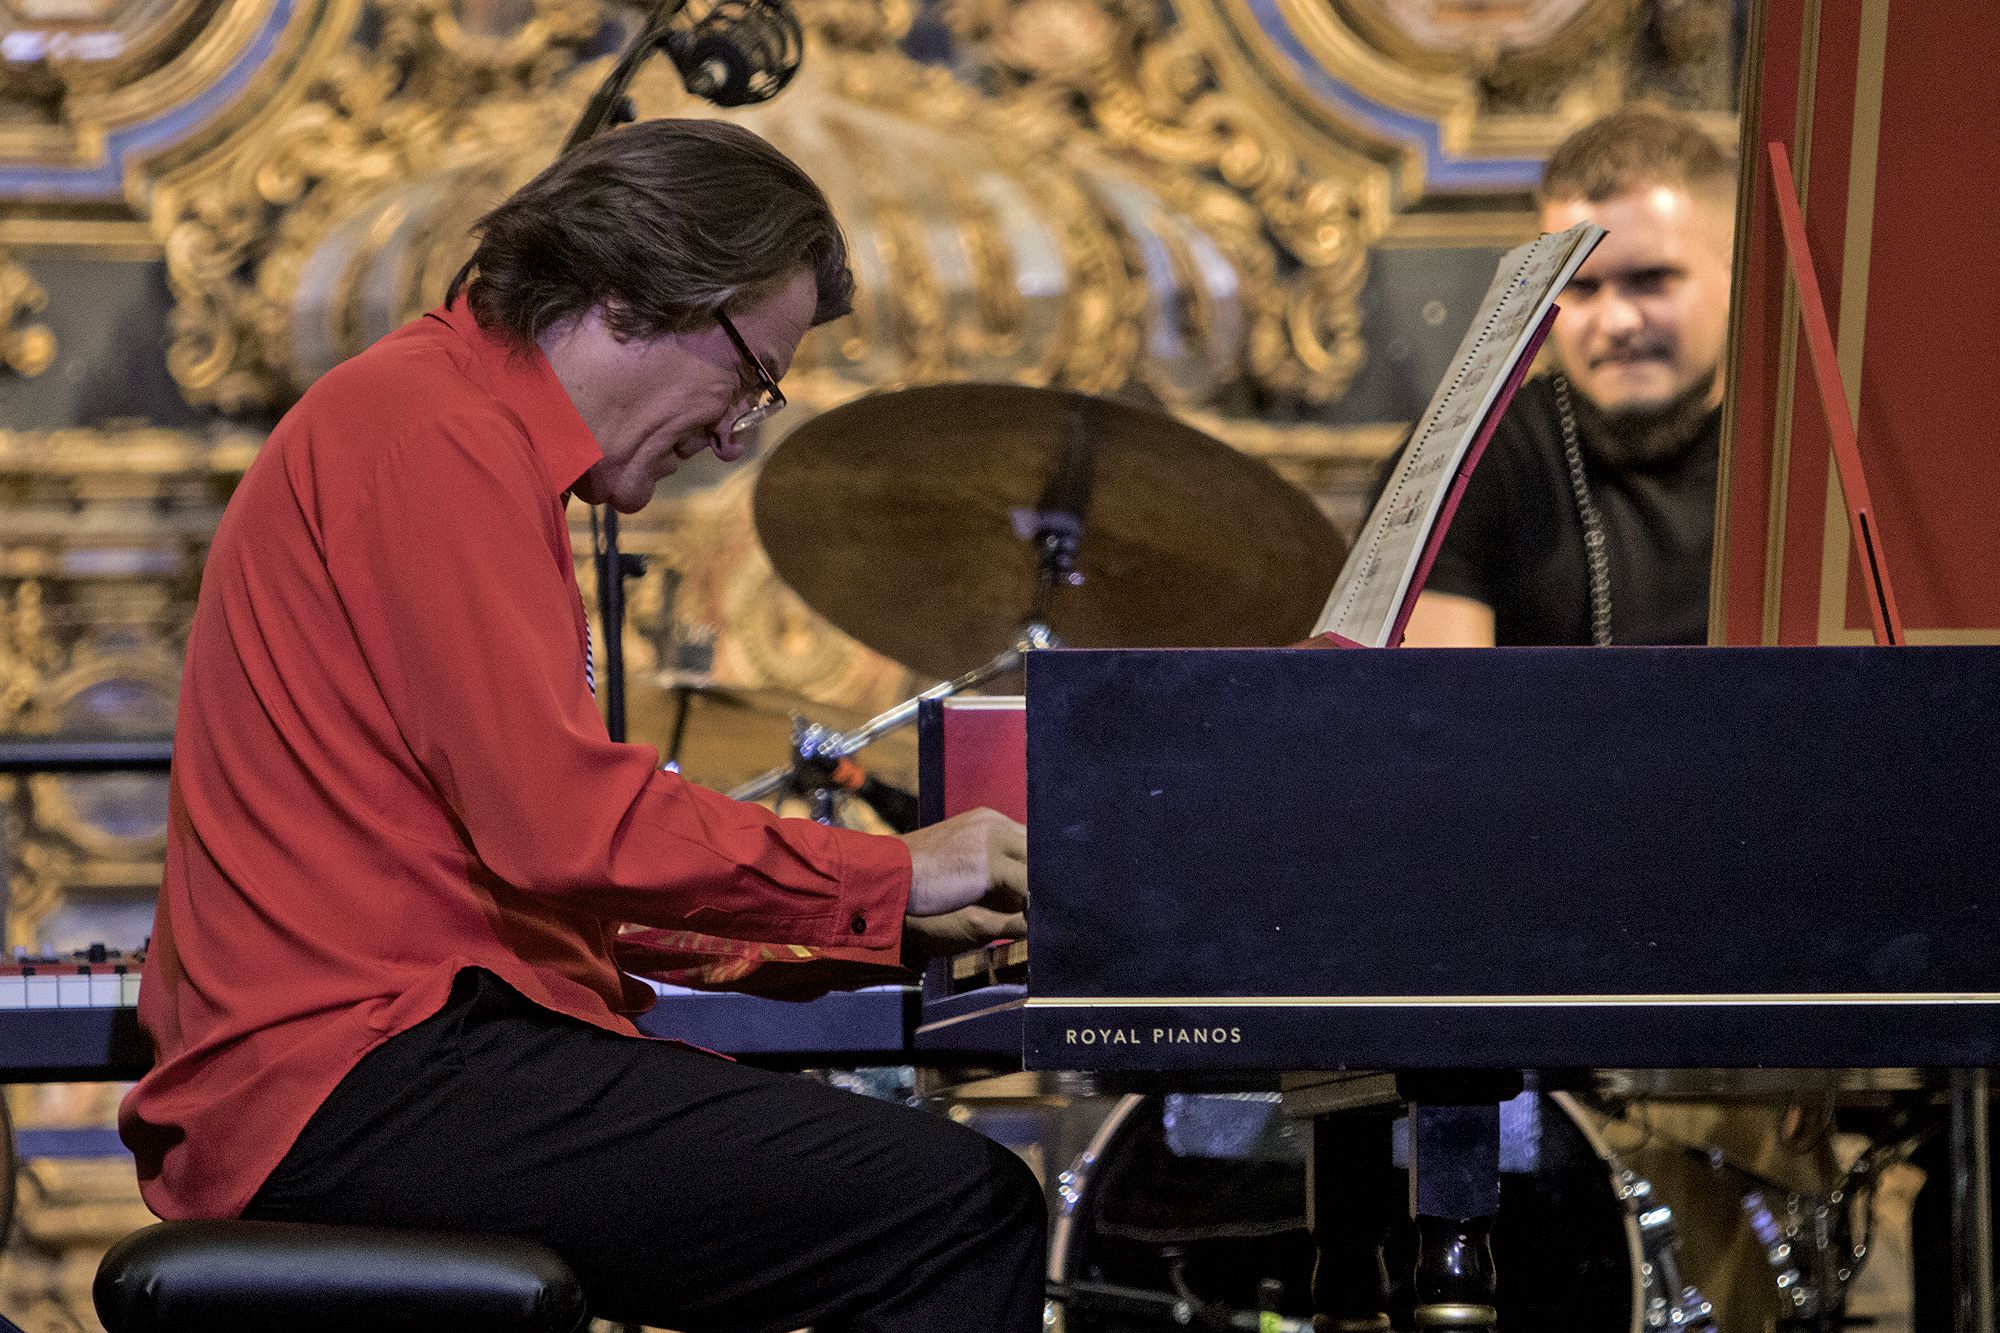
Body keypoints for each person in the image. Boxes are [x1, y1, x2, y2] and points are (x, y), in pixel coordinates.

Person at [119, 118, 1046, 1332]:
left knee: (872, 1190)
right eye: (750, 376)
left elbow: (549, 879)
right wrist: (893, 871)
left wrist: (881, 930)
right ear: (623, 298)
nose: (733, 429)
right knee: (953, 1207)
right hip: (358, 1078)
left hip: (391, 1057)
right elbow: (558, 826)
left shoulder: (445, 424)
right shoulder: (434, 434)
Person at [1402, 105, 1735, 649]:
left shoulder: (1808, 458)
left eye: (1650, 280)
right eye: (1580, 289)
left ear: (1734, 271)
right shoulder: (1462, 456)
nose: (1617, 322)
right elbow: (1440, 720)